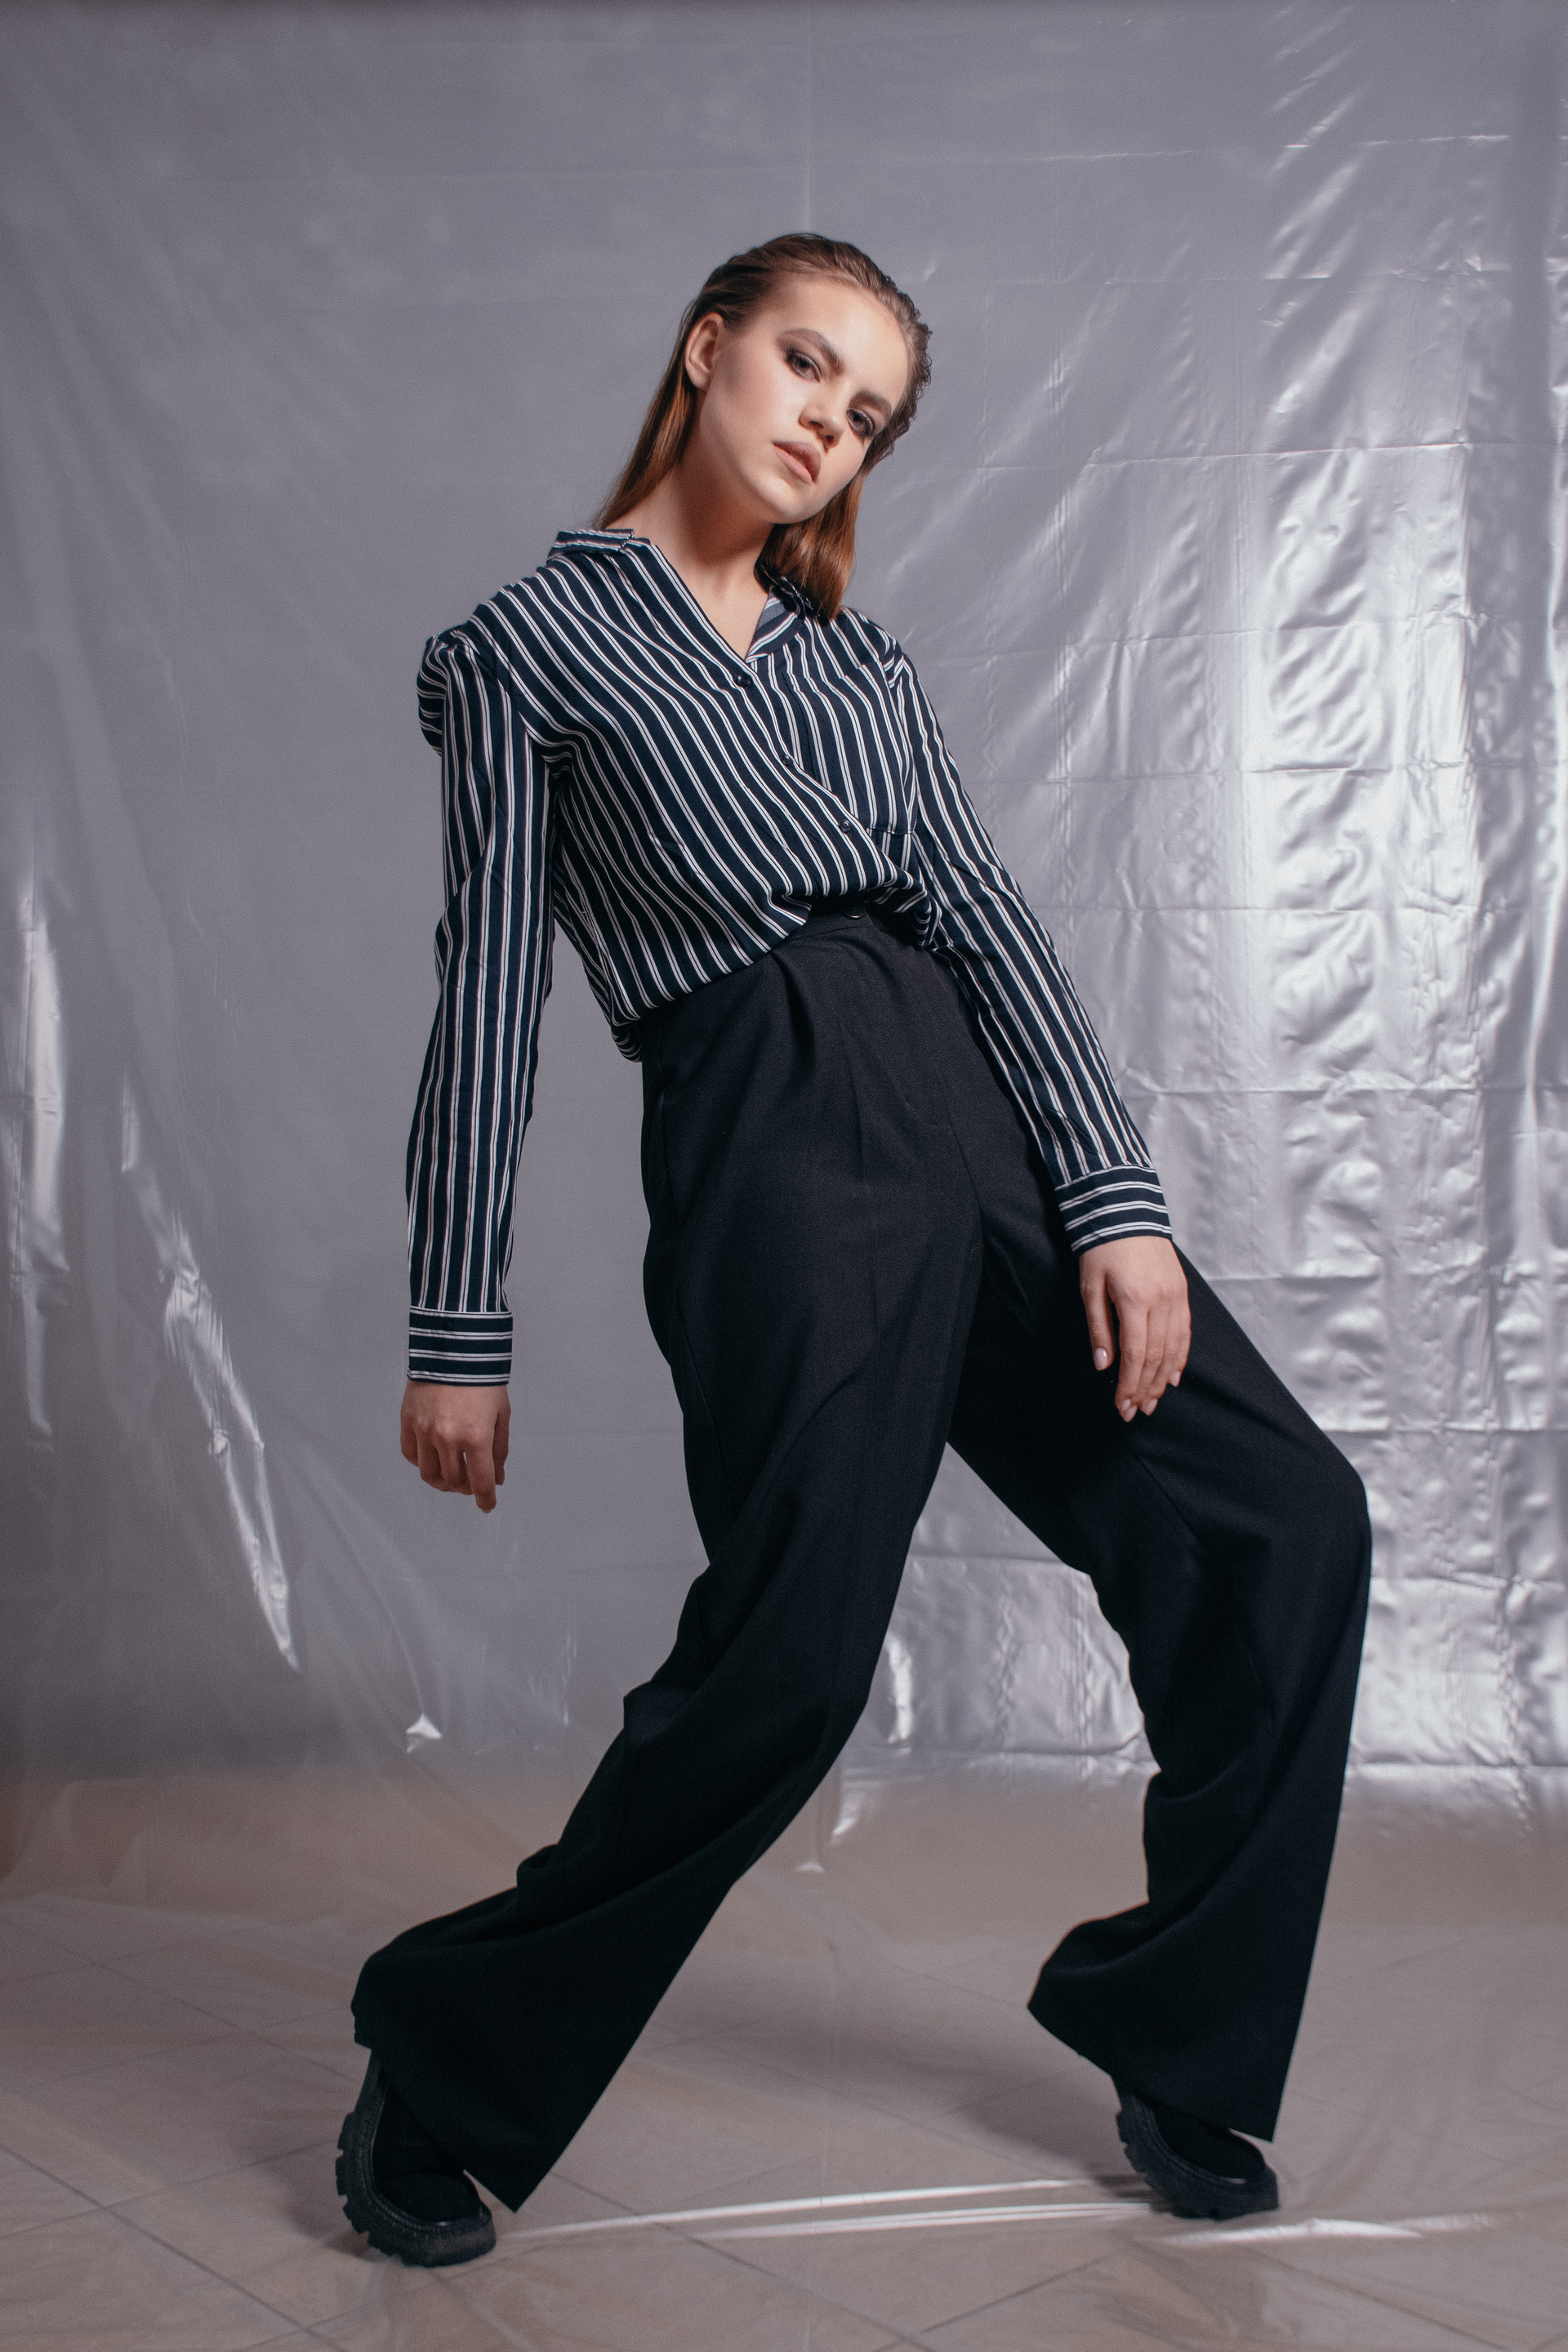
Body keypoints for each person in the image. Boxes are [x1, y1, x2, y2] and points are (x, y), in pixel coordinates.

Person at [336, 234, 1372, 2267]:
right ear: (708, 348)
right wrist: (459, 1320)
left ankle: (1178, 2030)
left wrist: (1116, 1199)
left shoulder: (857, 668)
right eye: (810, 365)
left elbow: (987, 924)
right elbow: (488, 1006)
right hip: (772, 1132)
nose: (830, 422)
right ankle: (447, 2055)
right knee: (793, 1663)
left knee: (1285, 1525)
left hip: (973, 1115)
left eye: (871, 410)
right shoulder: (528, 647)